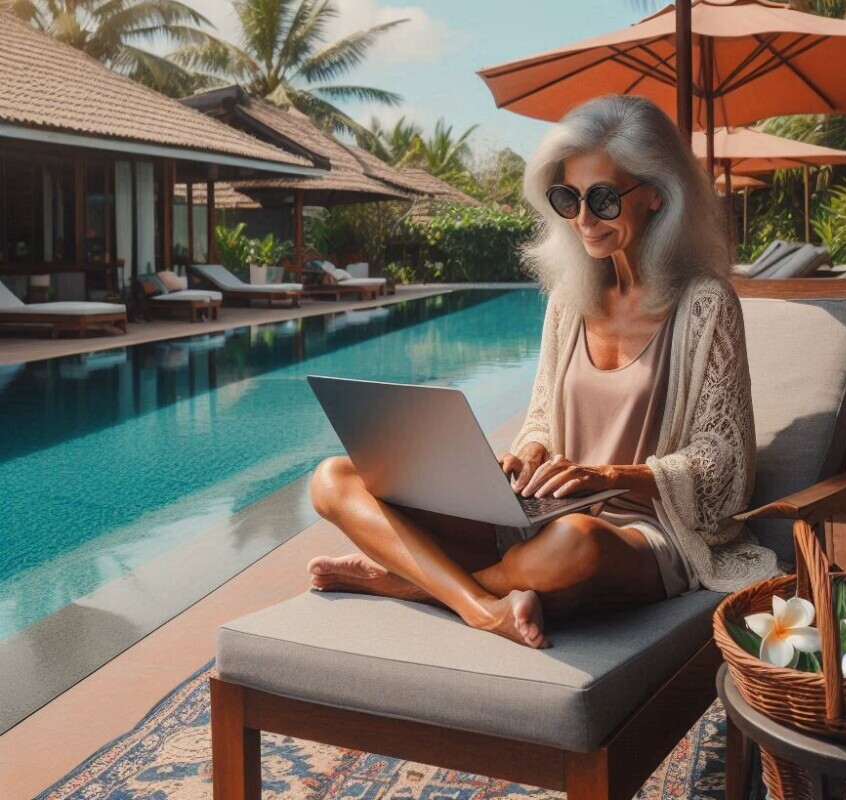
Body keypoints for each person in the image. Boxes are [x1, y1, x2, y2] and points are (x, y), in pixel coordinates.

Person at [308, 95, 778, 649]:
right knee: (333, 478)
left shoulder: (707, 305)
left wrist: (612, 476)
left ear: (656, 193)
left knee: (571, 544)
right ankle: (484, 606)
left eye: (603, 199)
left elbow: (726, 463)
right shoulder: (567, 301)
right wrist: (527, 453)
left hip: (642, 534)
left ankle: (405, 581)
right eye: (567, 198)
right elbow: (539, 419)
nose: (583, 219)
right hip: (541, 515)